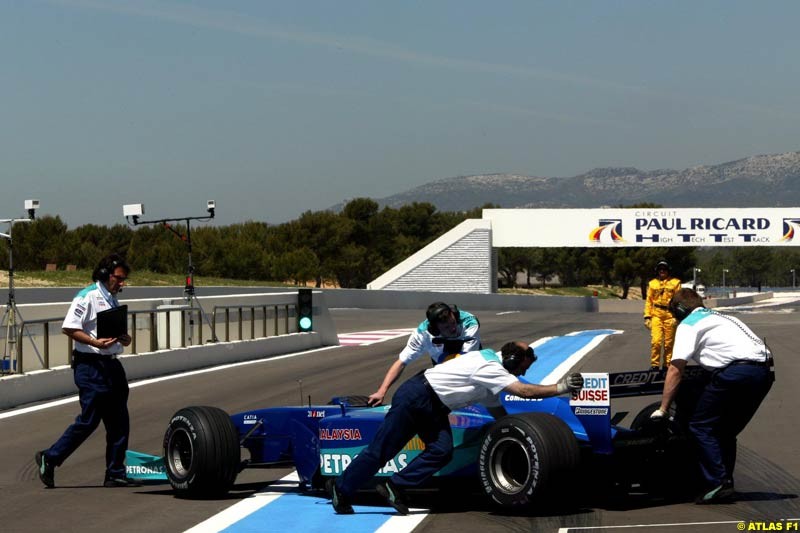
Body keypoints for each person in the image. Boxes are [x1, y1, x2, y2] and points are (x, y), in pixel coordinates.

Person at [329, 341, 584, 514]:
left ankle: (394, 484)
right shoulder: (489, 367)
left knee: (442, 450)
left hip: (435, 406)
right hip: (417, 396)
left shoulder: (490, 373)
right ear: (512, 360)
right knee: (382, 451)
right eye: (521, 368)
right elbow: (524, 391)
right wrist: (560, 388)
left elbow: (498, 412)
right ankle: (341, 491)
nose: (520, 373)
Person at [650, 288, 773, 504]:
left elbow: (676, 368)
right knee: (726, 431)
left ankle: (717, 482)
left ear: (679, 310)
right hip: (763, 373)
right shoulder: (725, 317)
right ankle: (725, 481)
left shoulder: (688, 324)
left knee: (701, 426)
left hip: (735, 374)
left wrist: (663, 409)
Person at [35, 254, 140, 488]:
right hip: (91, 366)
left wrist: (124, 338)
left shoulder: (112, 300)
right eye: (119, 279)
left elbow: (121, 336)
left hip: (112, 364)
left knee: (119, 422)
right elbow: (69, 327)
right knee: (89, 421)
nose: (122, 283)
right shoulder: (87, 297)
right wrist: (95, 343)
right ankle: (50, 457)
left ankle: (114, 472)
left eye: (124, 280)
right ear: (105, 275)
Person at [367, 302, 481, 407]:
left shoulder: (470, 323)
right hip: (443, 364)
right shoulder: (423, 334)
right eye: (446, 327)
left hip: (467, 358)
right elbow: (401, 362)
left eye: (453, 323)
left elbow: (464, 362)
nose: (453, 329)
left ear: (454, 316)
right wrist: (381, 391)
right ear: (435, 330)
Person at [644, 260, 681, 368]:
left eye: (664, 269)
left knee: (669, 344)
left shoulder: (675, 283)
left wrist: (677, 317)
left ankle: (667, 365)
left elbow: (679, 301)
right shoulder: (652, 284)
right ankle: (654, 365)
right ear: (657, 271)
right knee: (656, 341)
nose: (662, 271)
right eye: (660, 269)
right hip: (656, 315)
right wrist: (647, 317)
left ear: (668, 271)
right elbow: (649, 301)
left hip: (670, 315)